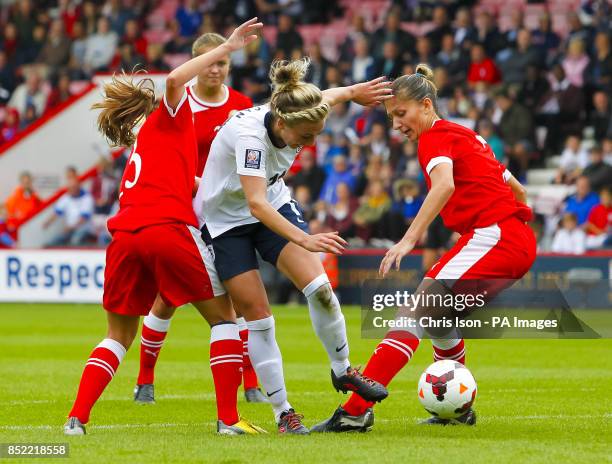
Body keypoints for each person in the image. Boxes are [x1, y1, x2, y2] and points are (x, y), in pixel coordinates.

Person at [63, 18, 266, 437]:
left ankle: (76, 419)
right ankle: (229, 420)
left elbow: (191, 184)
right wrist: (227, 48)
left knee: (117, 336)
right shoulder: (172, 113)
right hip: (166, 230)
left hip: (124, 237)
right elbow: (174, 79)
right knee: (225, 320)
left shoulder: (146, 139)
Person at [312, 64, 535, 432]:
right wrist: (512, 226)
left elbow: (444, 185)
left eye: (401, 113)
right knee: (438, 319)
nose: (397, 123)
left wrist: (408, 239)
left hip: (494, 237)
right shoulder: (467, 135)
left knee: (413, 311)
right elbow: (519, 191)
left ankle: (354, 411)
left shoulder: (433, 138)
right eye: (391, 116)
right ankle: (458, 410)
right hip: (507, 237)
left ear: (426, 105)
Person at [191, 57, 392, 433]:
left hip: (274, 203)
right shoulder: (251, 139)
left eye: (316, 134)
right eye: (306, 137)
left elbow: (327, 97)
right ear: (281, 124)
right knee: (260, 319)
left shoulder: (299, 108)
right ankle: (284, 413)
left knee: (320, 289)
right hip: (227, 224)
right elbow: (255, 204)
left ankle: (343, 369)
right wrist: (305, 237)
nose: (310, 144)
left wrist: (353, 92)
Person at [132, 31, 263, 406]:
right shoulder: (177, 104)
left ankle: (251, 382)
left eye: (221, 63)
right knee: (167, 298)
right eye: (209, 62)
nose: (215, 70)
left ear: (228, 66)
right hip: (182, 211)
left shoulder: (242, 105)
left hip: (225, 214)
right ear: (196, 64)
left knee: (238, 297)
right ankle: (145, 379)